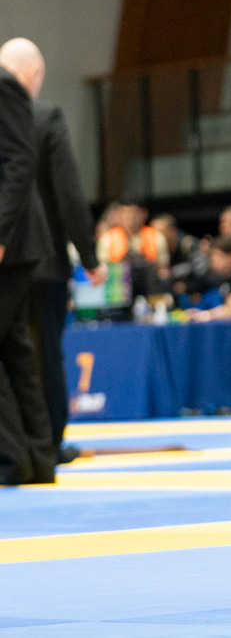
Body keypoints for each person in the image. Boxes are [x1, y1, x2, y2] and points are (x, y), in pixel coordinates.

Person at [29, 99, 107, 465]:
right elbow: (68, 192)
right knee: (45, 354)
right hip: (41, 261)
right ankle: (48, 444)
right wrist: (88, 257)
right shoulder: (45, 119)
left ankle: (17, 443)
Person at [0, 37, 56, 485]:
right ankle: (37, 459)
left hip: (10, 240)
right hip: (15, 240)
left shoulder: (4, 85)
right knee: (15, 348)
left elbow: (20, 162)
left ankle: (13, 460)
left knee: (14, 347)